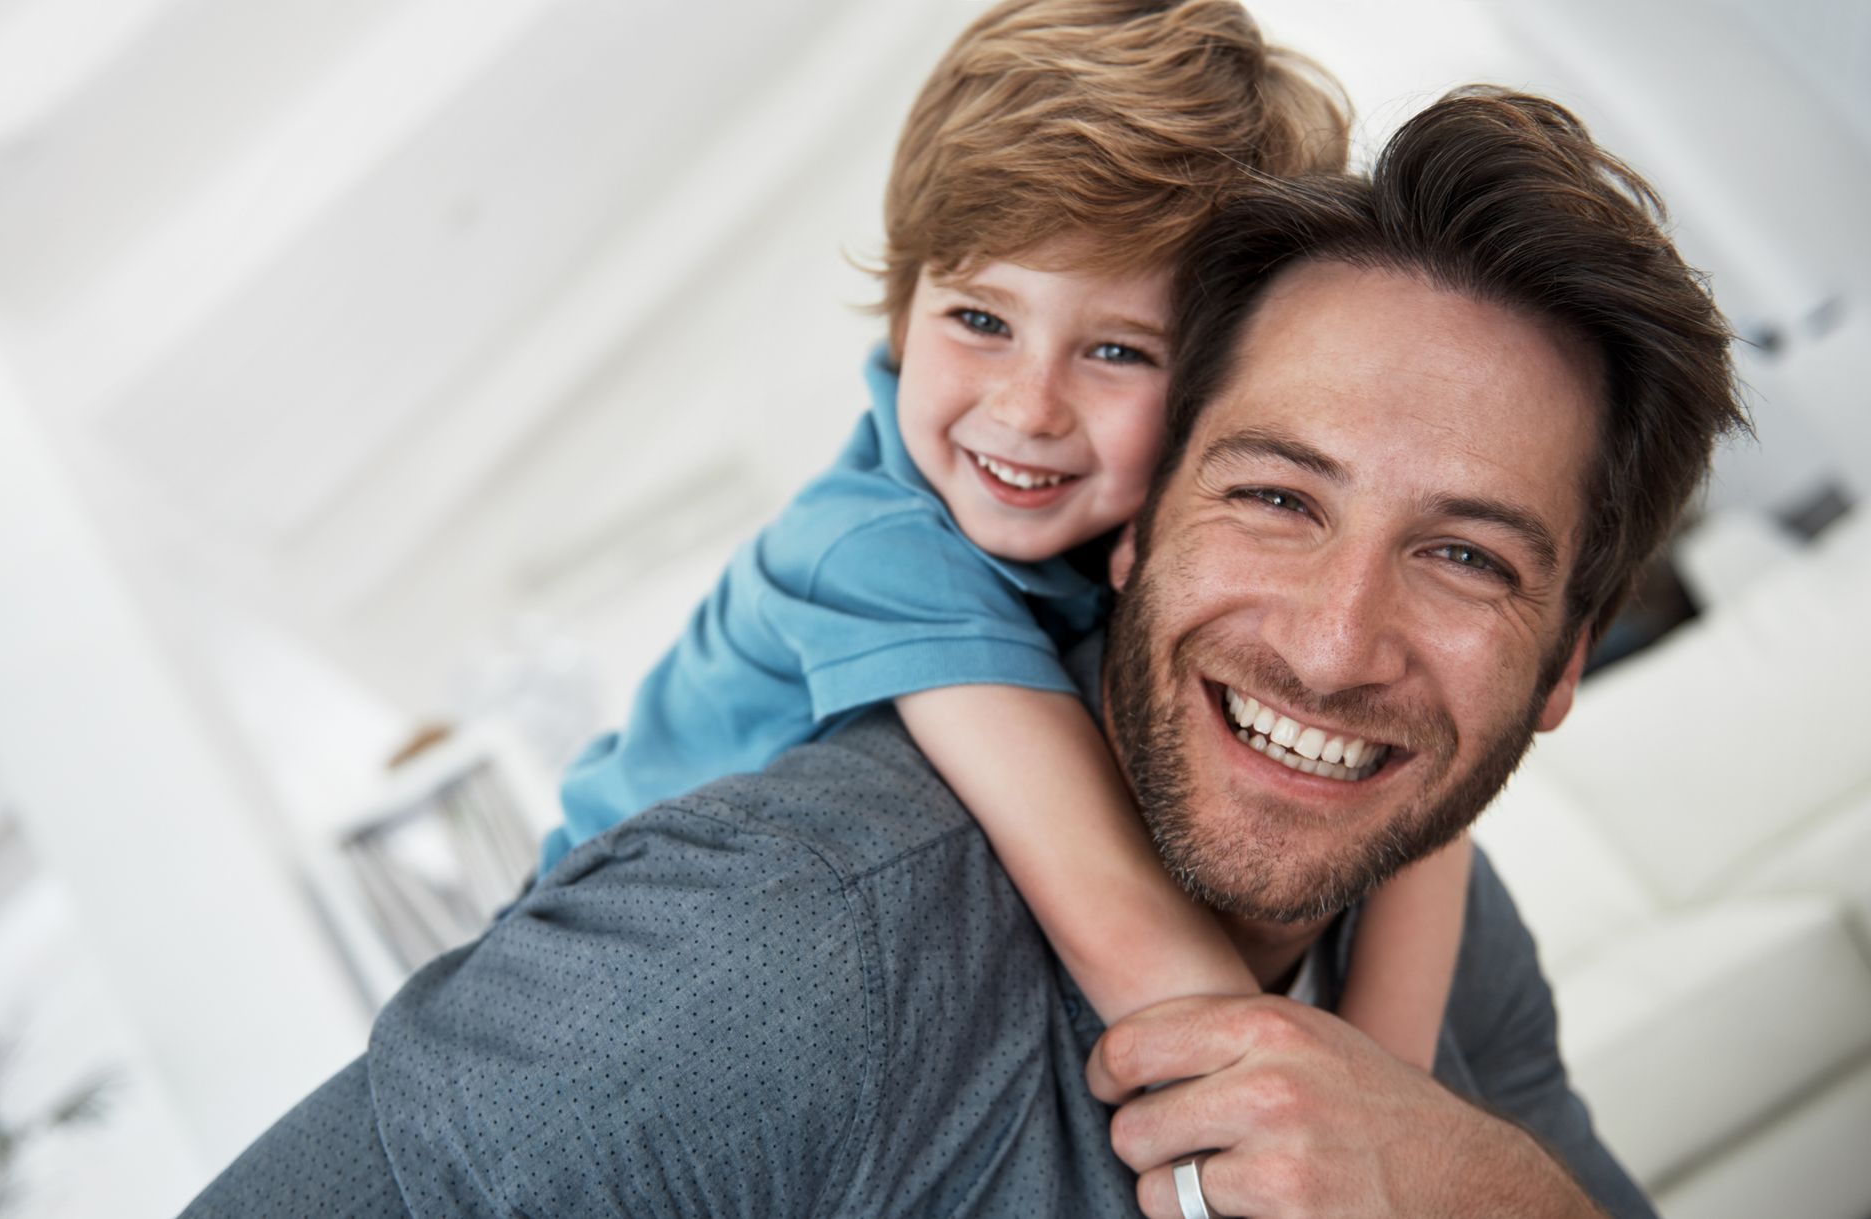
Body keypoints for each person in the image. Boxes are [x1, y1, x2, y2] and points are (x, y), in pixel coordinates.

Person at [181, 88, 1743, 1218]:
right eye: (1275, 496)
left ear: (1561, 669)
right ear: (1133, 535)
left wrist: (1469, 1176)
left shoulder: (1435, 906)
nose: (1337, 645)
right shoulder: (774, 938)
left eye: (1466, 556)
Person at [537, 0, 1470, 1073]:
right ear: (902, 309)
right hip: (599, 977)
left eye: (1118, 351)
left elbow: (1431, 816)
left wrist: (1396, 1090)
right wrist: (1357, 1135)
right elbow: (1126, 929)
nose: (1028, 408)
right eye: (981, 320)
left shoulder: (1148, 539)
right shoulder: (869, 549)